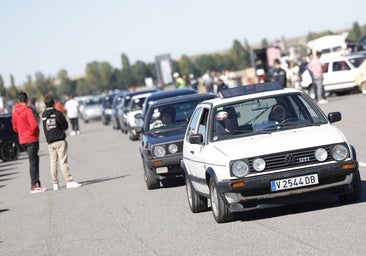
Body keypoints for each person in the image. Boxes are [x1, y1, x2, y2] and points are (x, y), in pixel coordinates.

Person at [42, 95, 82, 190]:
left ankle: (55, 184)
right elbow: (65, 125)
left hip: (50, 142)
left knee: (53, 163)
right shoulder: (57, 113)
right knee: (63, 162)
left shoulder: (44, 115)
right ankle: (69, 181)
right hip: (60, 140)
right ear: (53, 103)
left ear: (45, 104)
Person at [12, 92, 46, 193]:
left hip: (23, 139)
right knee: (33, 162)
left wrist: (22, 131)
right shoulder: (28, 110)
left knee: (34, 160)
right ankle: (34, 185)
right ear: (26, 100)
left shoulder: (15, 112)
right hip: (31, 138)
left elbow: (14, 127)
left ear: (19, 101)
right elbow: (34, 125)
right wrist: (35, 134)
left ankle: (37, 183)